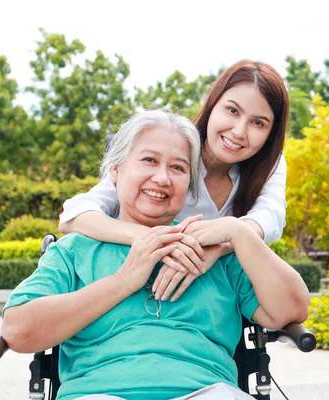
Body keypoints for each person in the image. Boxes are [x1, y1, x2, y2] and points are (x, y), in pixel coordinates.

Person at [1, 110, 310, 400]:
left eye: (177, 167)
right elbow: (17, 332)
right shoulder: (75, 251)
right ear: (116, 170)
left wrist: (239, 231)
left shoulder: (213, 251)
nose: (163, 178)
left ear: (189, 185)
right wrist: (124, 280)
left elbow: (291, 310)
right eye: (149, 160)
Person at [60, 59, 289, 301]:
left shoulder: (269, 164)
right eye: (232, 111)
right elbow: (75, 214)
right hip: (142, 285)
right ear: (212, 105)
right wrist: (151, 238)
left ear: (271, 132)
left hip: (215, 298)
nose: (239, 131)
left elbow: (270, 218)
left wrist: (221, 245)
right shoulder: (174, 149)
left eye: (258, 123)